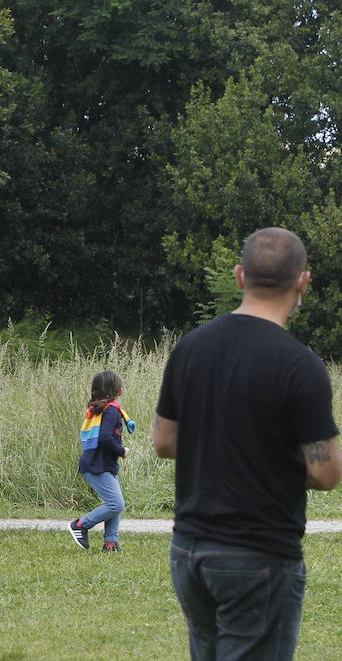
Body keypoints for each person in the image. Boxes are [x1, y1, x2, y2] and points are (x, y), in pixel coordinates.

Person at [154, 227, 342, 659]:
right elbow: (326, 472)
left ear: (240, 276)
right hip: (259, 554)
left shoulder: (191, 348)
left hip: (190, 550)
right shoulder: (302, 366)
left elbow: (164, 442)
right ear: (303, 282)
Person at [68, 370, 130, 552]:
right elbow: (105, 438)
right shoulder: (111, 410)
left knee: (114, 503)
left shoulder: (102, 408)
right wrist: (122, 451)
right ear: (117, 391)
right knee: (116, 504)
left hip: (102, 463)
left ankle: (110, 543)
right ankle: (80, 525)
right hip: (98, 464)